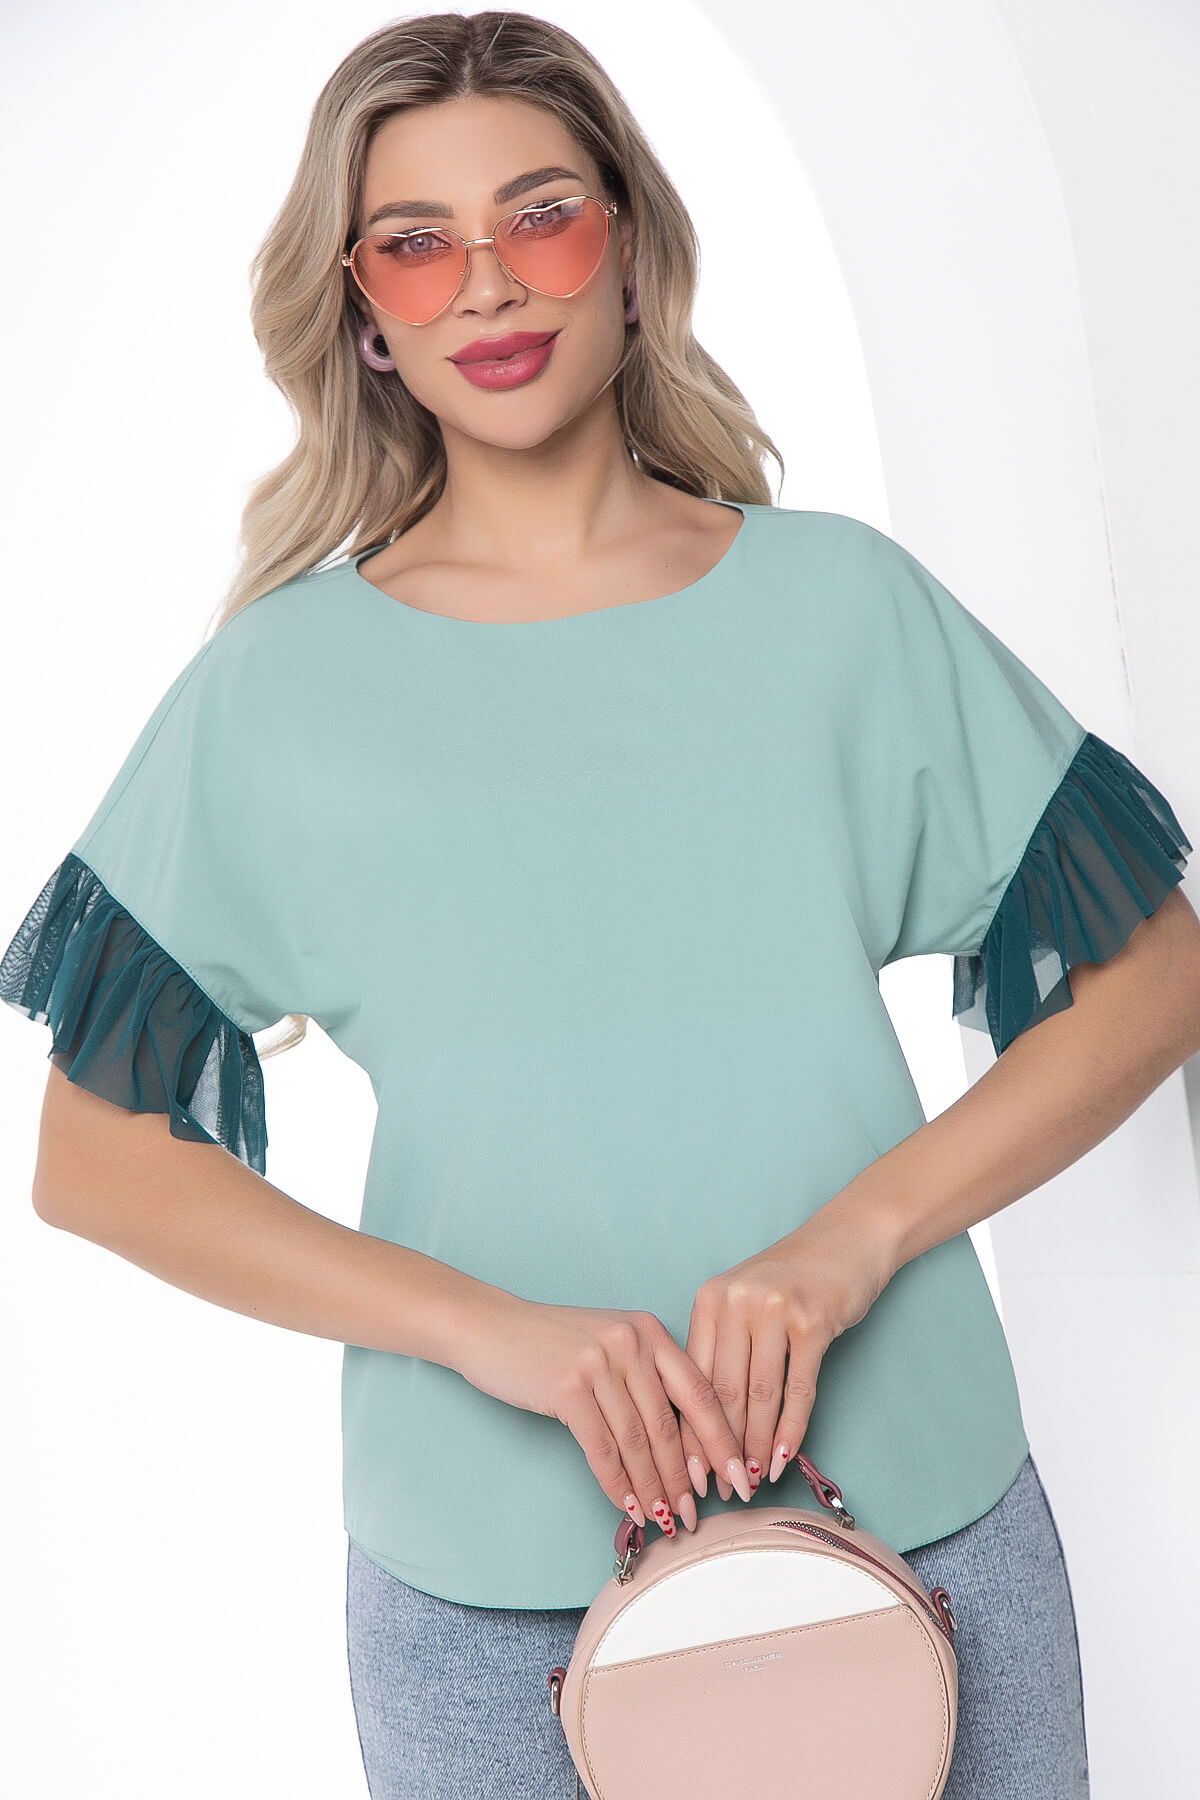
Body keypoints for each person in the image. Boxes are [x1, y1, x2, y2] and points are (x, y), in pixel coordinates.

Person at [4, 11, 1197, 1798]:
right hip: (491, 1601)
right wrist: (481, 1327)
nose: (487, 283)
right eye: (418, 242)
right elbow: (96, 1163)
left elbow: (1155, 974)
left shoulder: (841, 610)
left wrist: (855, 1241)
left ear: (629, 247)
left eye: (540, 216)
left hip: (923, 1520)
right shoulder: (281, 690)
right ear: (365, 309)